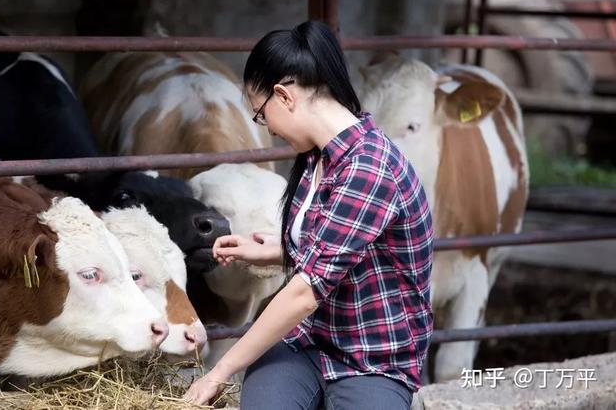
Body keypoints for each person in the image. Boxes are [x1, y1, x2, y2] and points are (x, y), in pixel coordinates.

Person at [184, 20, 434, 409]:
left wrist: (219, 371)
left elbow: (304, 292)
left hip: (371, 358)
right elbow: (331, 249)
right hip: (307, 342)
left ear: (284, 96)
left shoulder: (367, 170)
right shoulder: (318, 157)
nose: (266, 129)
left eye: (260, 115)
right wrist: (269, 250)